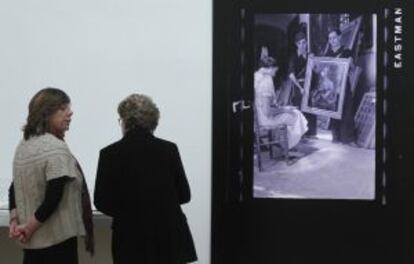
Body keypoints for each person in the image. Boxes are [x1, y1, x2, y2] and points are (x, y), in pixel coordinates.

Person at [94, 94, 197, 264]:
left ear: (125, 122)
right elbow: (185, 195)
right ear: (153, 122)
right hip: (170, 238)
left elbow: (101, 201)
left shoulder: (109, 154)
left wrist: (127, 212)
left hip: (129, 239)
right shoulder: (169, 149)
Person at [8, 87, 94, 264]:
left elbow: (13, 188)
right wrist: (29, 228)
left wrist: (14, 221)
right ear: (46, 113)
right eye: (63, 109)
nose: (70, 113)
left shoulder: (24, 145)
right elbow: (54, 195)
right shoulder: (55, 147)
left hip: (32, 245)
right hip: (56, 243)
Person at [254, 56, 308, 150]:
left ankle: (282, 142)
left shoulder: (256, 76)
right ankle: (286, 145)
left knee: (291, 114)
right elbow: (267, 111)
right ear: (270, 69)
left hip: (257, 118)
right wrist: (285, 109)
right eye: (275, 71)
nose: (275, 74)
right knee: (296, 114)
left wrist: (280, 107)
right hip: (266, 119)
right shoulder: (266, 82)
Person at [324, 28, 356, 144]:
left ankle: (347, 138)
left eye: (334, 37)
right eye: (330, 38)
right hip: (332, 86)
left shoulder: (346, 51)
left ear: (339, 37)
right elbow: (324, 71)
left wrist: (349, 62)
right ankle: (336, 137)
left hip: (344, 84)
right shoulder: (327, 54)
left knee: (347, 110)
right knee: (334, 110)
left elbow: (352, 68)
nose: (332, 40)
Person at [286, 31, 318, 137]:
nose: (302, 45)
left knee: (311, 109)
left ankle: (312, 133)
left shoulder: (310, 55)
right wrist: (300, 88)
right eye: (299, 43)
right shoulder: (293, 57)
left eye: (304, 42)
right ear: (296, 44)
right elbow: (291, 75)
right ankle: (301, 134)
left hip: (310, 86)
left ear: (307, 43)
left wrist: (314, 62)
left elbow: (317, 70)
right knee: (300, 109)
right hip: (299, 87)